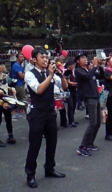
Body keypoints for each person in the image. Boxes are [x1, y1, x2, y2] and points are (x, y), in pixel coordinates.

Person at [24, 47, 68, 188]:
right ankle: (30, 174)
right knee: (35, 145)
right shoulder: (29, 74)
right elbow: (38, 89)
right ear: (34, 59)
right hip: (37, 113)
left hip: (50, 112)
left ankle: (50, 168)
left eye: (46, 57)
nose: (45, 59)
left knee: (52, 143)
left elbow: (65, 86)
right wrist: (50, 75)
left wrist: (61, 75)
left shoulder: (52, 74)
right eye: (42, 57)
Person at [75, 53, 101, 156]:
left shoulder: (88, 69)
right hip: (89, 97)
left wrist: (99, 66)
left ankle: (90, 143)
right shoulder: (78, 70)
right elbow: (88, 76)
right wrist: (94, 66)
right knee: (93, 123)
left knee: (98, 122)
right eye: (82, 58)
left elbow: (99, 75)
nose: (85, 59)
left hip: (95, 96)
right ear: (78, 61)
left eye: (85, 57)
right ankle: (82, 146)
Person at [0, 59, 17, 147]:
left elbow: (6, 86)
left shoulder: (5, 76)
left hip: (5, 99)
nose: (3, 66)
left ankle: (10, 136)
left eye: (3, 65)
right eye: (1, 65)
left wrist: (11, 89)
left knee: (8, 118)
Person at [63, 60, 78, 127]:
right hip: (68, 90)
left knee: (74, 104)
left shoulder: (73, 72)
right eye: (72, 65)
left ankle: (73, 119)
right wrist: (76, 83)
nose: (73, 66)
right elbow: (68, 82)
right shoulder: (67, 72)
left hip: (74, 89)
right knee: (71, 105)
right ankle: (70, 120)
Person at [11, 52, 25, 119]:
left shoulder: (20, 66)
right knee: (17, 99)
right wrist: (26, 74)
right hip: (17, 84)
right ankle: (14, 113)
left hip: (21, 83)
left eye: (23, 57)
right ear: (17, 58)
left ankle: (17, 112)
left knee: (19, 99)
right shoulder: (16, 65)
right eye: (21, 57)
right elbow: (21, 76)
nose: (22, 58)